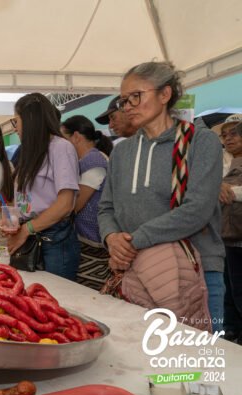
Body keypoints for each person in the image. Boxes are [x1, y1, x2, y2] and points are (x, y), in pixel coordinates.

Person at [97, 61, 225, 331]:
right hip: (137, 274)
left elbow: (197, 211)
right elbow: (106, 208)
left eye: (136, 96)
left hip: (194, 274)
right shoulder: (121, 153)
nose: (128, 106)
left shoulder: (199, 142)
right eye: (123, 100)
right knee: (143, 364)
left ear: (164, 95)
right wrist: (111, 238)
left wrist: (133, 241)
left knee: (193, 367)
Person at [5, 93, 81, 280]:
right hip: (29, 234)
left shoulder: (61, 147)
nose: (15, 129)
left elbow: (65, 204)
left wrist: (26, 229)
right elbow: (21, 197)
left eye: (16, 121)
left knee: (55, 300)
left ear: (30, 120)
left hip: (53, 240)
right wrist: (11, 220)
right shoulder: (28, 152)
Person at [60, 115, 113, 289]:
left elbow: (75, 205)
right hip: (88, 242)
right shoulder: (87, 160)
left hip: (94, 244)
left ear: (76, 137)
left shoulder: (94, 162)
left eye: (63, 138)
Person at [220, 121, 242, 342]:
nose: (228, 138)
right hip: (227, 238)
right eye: (224, 135)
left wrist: (230, 191)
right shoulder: (225, 162)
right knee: (230, 290)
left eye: (234, 134)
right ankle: (232, 329)